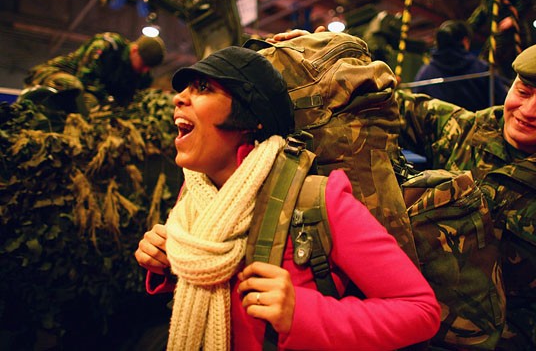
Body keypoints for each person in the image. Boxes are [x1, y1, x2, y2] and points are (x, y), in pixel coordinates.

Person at [134, 46, 441, 350]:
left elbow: (421, 311)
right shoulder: (195, 194)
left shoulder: (319, 200)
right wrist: (171, 262)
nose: (178, 98)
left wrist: (302, 312)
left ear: (250, 117)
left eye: (202, 88)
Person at [397, 29, 536, 350]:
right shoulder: (467, 131)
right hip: (414, 319)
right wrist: (320, 56)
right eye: (523, 91)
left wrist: (484, 338)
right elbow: (390, 102)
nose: (527, 111)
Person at [22, 32, 165, 111]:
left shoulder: (140, 74)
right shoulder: (108, 46)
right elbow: (86, 79)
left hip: (89, 91)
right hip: (54, 74)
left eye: (149, 67)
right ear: (134, 50)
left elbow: (129, 100)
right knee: (77, 90)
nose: (144, 70)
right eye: (143, 64)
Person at [413, 19, 508, 111]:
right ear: (465, 41)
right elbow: (502, 101)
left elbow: (416, 106)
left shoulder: (425, 74)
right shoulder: (482, 69)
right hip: (477, 126)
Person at [468, 0, 534, 80]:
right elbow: (482, 12)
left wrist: (513, 18)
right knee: (495, 65)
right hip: (500, 33)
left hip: (514, 33)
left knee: (515, 65)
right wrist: (466, 28)